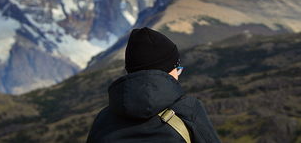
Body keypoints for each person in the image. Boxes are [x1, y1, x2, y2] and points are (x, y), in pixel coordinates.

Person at [86, 27, 221, 143]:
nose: (179, 74)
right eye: (177, 68)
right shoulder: (189, 110)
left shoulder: (103, 119)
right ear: (168, 70)